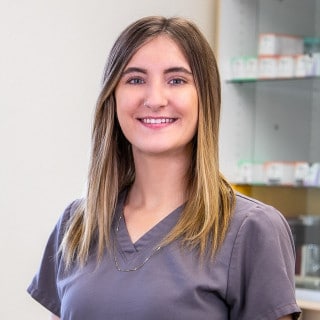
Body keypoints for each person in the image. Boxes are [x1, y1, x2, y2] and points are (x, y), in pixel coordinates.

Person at [27, 16, 301, 320]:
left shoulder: (251, 229)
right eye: (135, 79)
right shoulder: (77, 224)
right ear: (112, 97)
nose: (155, 99)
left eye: (177, 80)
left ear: (204, 99)